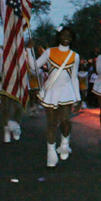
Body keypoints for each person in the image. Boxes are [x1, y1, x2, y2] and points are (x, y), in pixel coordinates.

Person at [36, 27, 81, 168]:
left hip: (66, 92)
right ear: (59, 37)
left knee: (65, 121)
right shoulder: (50, 52)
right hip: (52, 91)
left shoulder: (75, 56)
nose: (66, 38)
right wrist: (28, 51)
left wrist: (78, 98)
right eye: (63, 35)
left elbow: (74, 78)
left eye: (69, 35)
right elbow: (34, 66)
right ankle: (51, 154)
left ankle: (64, 144)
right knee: (51, 123)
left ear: (72, 38)